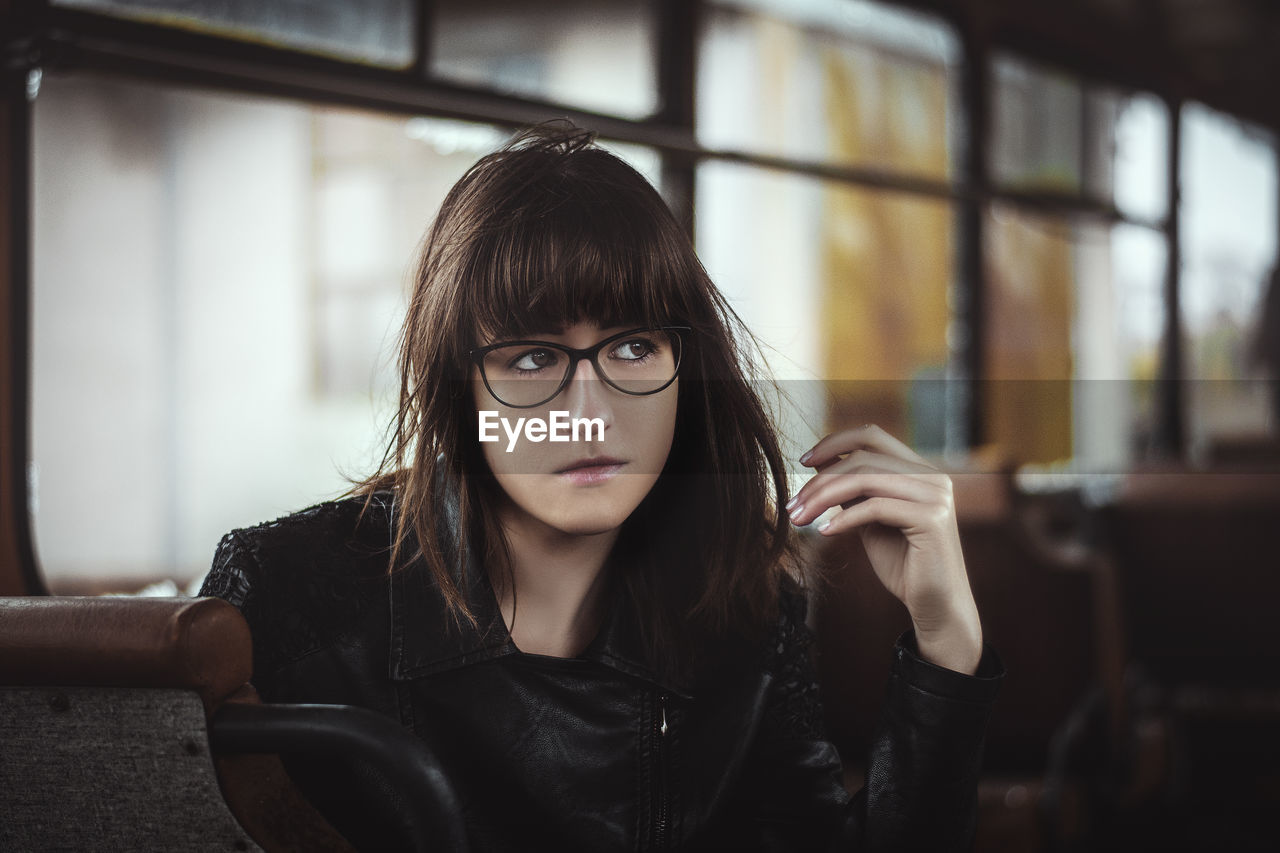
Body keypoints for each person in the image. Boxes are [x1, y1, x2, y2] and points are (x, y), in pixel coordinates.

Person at [200, 120, 1004, 852]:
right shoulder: (289, 594)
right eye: (531, 357)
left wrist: (946, 644)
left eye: (630, 349)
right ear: (459, 388)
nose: (591, 412)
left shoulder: (744, 605)